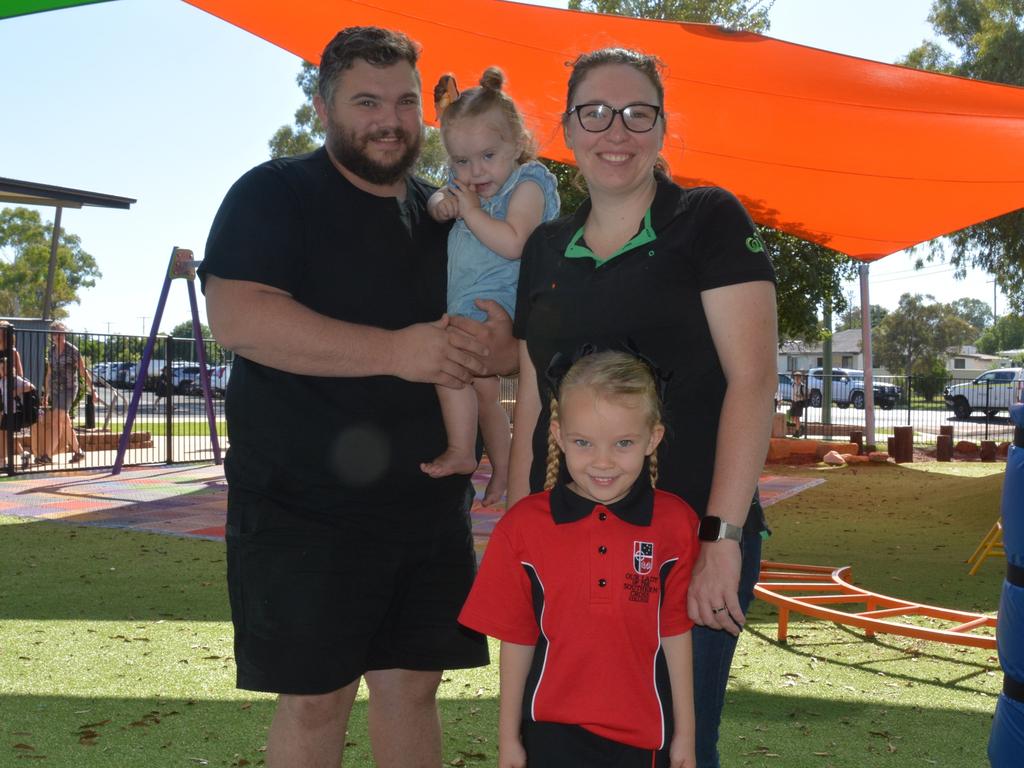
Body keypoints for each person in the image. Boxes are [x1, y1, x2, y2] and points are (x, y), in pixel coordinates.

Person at [198, 26, 516, 768]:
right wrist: (397, 351)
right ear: (322, 107)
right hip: (299, 505)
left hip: (426, 503)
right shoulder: (273, 192)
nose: (391, 119)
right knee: (315, 700)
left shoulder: (447, 213)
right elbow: (239, 317)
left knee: (413, 690)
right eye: (367, 100)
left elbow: (495, 337)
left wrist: (495, 372)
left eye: (406, 101)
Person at [508, 48, 778, 767]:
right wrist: (515, 531)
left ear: (662, 128)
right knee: (559, 735)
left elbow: (752, 381)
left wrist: (721, 538)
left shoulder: (707, 220)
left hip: (685, 541)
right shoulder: (542, 248)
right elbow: (535, 395)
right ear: (567, 129)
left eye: (638, 113)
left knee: (674, 742)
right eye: (594, 112)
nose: (615, 130)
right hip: (562, 544)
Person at [461, 350, 697, 768]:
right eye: (583, 442)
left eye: (623, 443)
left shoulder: (675, 524)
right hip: (549, 734)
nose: (602, 462)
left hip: (644, 738)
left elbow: (675, 634)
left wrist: (686, 737)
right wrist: (509, 738)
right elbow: (517, 640)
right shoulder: (523, 528)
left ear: (652, 438)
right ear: (558, 434)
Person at [419, 66, 560, 506]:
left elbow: (516, 242)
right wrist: (442, 203)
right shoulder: (468, 189)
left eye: (487, 156)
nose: (474, 170)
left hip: (500, 299)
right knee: (481, 394)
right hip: (470, 301)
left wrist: (471, 211)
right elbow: (438, 199)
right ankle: (501, 470)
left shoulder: (529, 182)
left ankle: (463, 451)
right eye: (461, 161)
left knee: (448, 367)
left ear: (516, 144)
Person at [40, 321, 92, 465]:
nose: (58, 335)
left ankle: (47, 456)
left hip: (69, 389)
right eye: (55, 333)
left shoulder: (73, 350)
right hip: (56, 390)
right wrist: (46, 394)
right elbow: (49, 373)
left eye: (61, 332)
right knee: (65, 422)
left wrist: (92, 390)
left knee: (57, 420)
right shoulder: (51, 351)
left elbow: (82, 371)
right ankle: (78, 452)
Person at [788, 371, 808, 437]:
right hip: (794, 402)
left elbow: (806, 396)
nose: (796, 378)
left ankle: (797, 432)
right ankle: (801, 426)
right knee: (792, 417)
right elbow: (792, 394)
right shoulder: (793, 384)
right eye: (795, 377)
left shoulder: (802, 386)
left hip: (799, 403)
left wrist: (799, 396)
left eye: (798, 377)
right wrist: (791, 402)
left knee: (797, 417)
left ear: (800, 378)